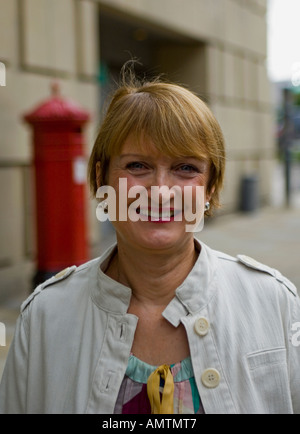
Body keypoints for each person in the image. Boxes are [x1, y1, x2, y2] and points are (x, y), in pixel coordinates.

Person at [0, 70, 300, 414]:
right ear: (101, 178)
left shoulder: (274, 303)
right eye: (138, 165)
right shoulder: (44, 316)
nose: (160, 191)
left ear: (211, 187)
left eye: (185, 168)